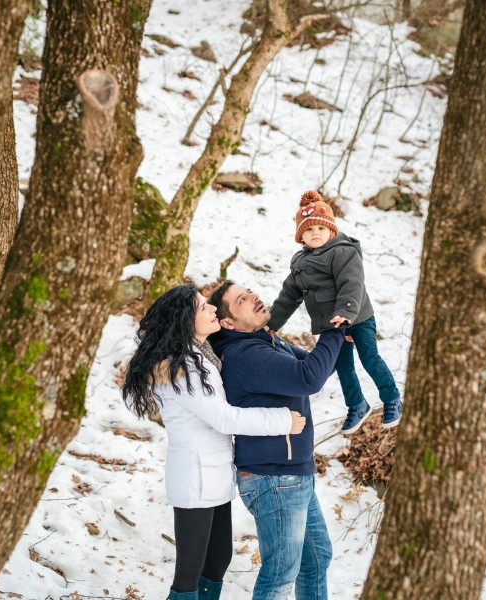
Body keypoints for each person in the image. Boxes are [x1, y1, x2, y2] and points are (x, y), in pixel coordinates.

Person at [121, 284, 307, 600]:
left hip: (214, 474)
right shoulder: (182, 368)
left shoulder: (201, 356)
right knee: (189, 573)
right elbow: (222, 417)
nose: (212, 310)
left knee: (217, 561)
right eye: (203, 307)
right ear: (184, 320)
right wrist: (281, 421)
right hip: (195, 477)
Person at [208, 281, 345, 599]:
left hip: (291, 474)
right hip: (274, 478)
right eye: (242, 299)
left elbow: (315, 367)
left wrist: (338, 334)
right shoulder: (246, 355)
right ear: (228, 323)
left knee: (314, 561)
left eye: (251, 291)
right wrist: (334, 331)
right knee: (281, 575)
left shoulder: (264, 342)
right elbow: (308, 378)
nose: (254, 296)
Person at [267, 189, 402, 435]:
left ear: (331, 229)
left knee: (369, 357)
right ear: (301, 237)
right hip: (333, 325)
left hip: (357, 317)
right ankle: (357, 404)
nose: (315, 233)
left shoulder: (342, 251)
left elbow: (352, 283)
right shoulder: (299, 263)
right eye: (308, 230)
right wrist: (272, 323)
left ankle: (392, 397)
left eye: (320, 228)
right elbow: (289, 296)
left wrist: (347, 312)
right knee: (343, 365)